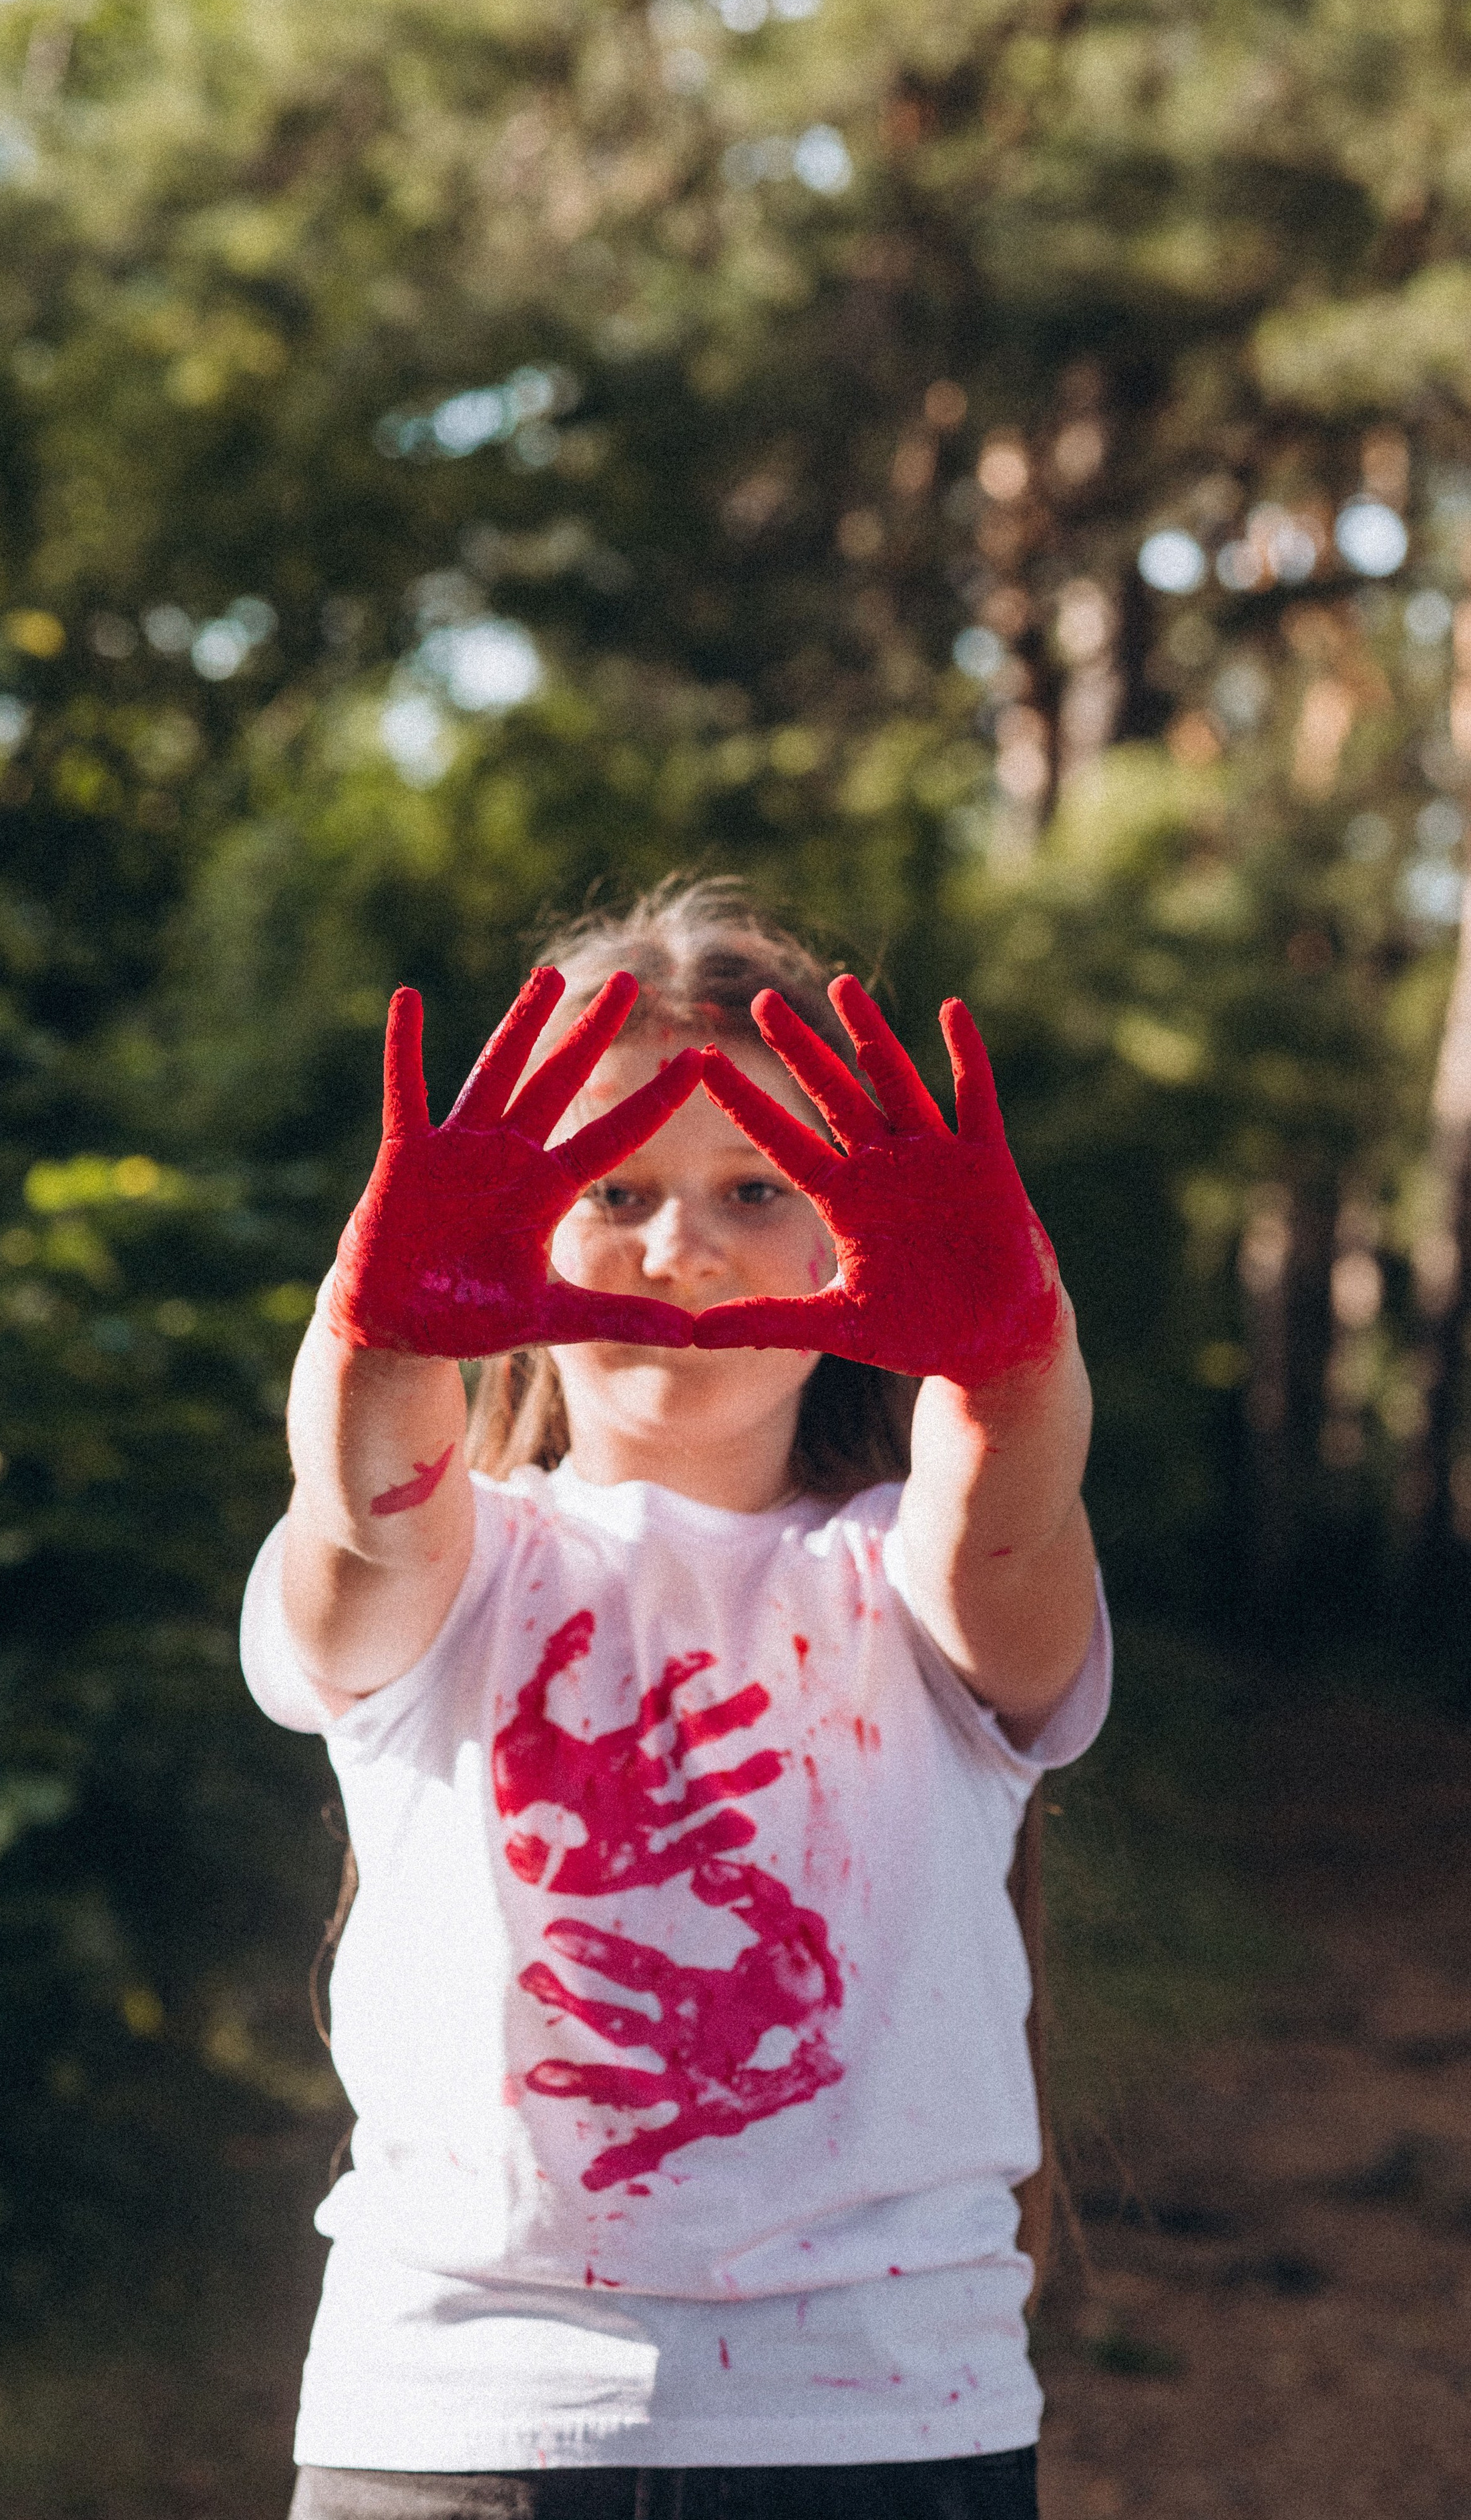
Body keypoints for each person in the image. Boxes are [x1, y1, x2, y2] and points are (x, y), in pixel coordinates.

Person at [240, 880, 1108, 2520]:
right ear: (517, 1227)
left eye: (755, 1189)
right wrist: (374, 1341)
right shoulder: (459, 1567)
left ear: (850, 1232)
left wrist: (1012, 1353)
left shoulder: (907, 1574)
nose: (679, 1246)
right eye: (615, 1185)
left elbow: (1006, 1519)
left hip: (885, 2430)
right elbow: (362, 1522)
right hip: (454, 2423)